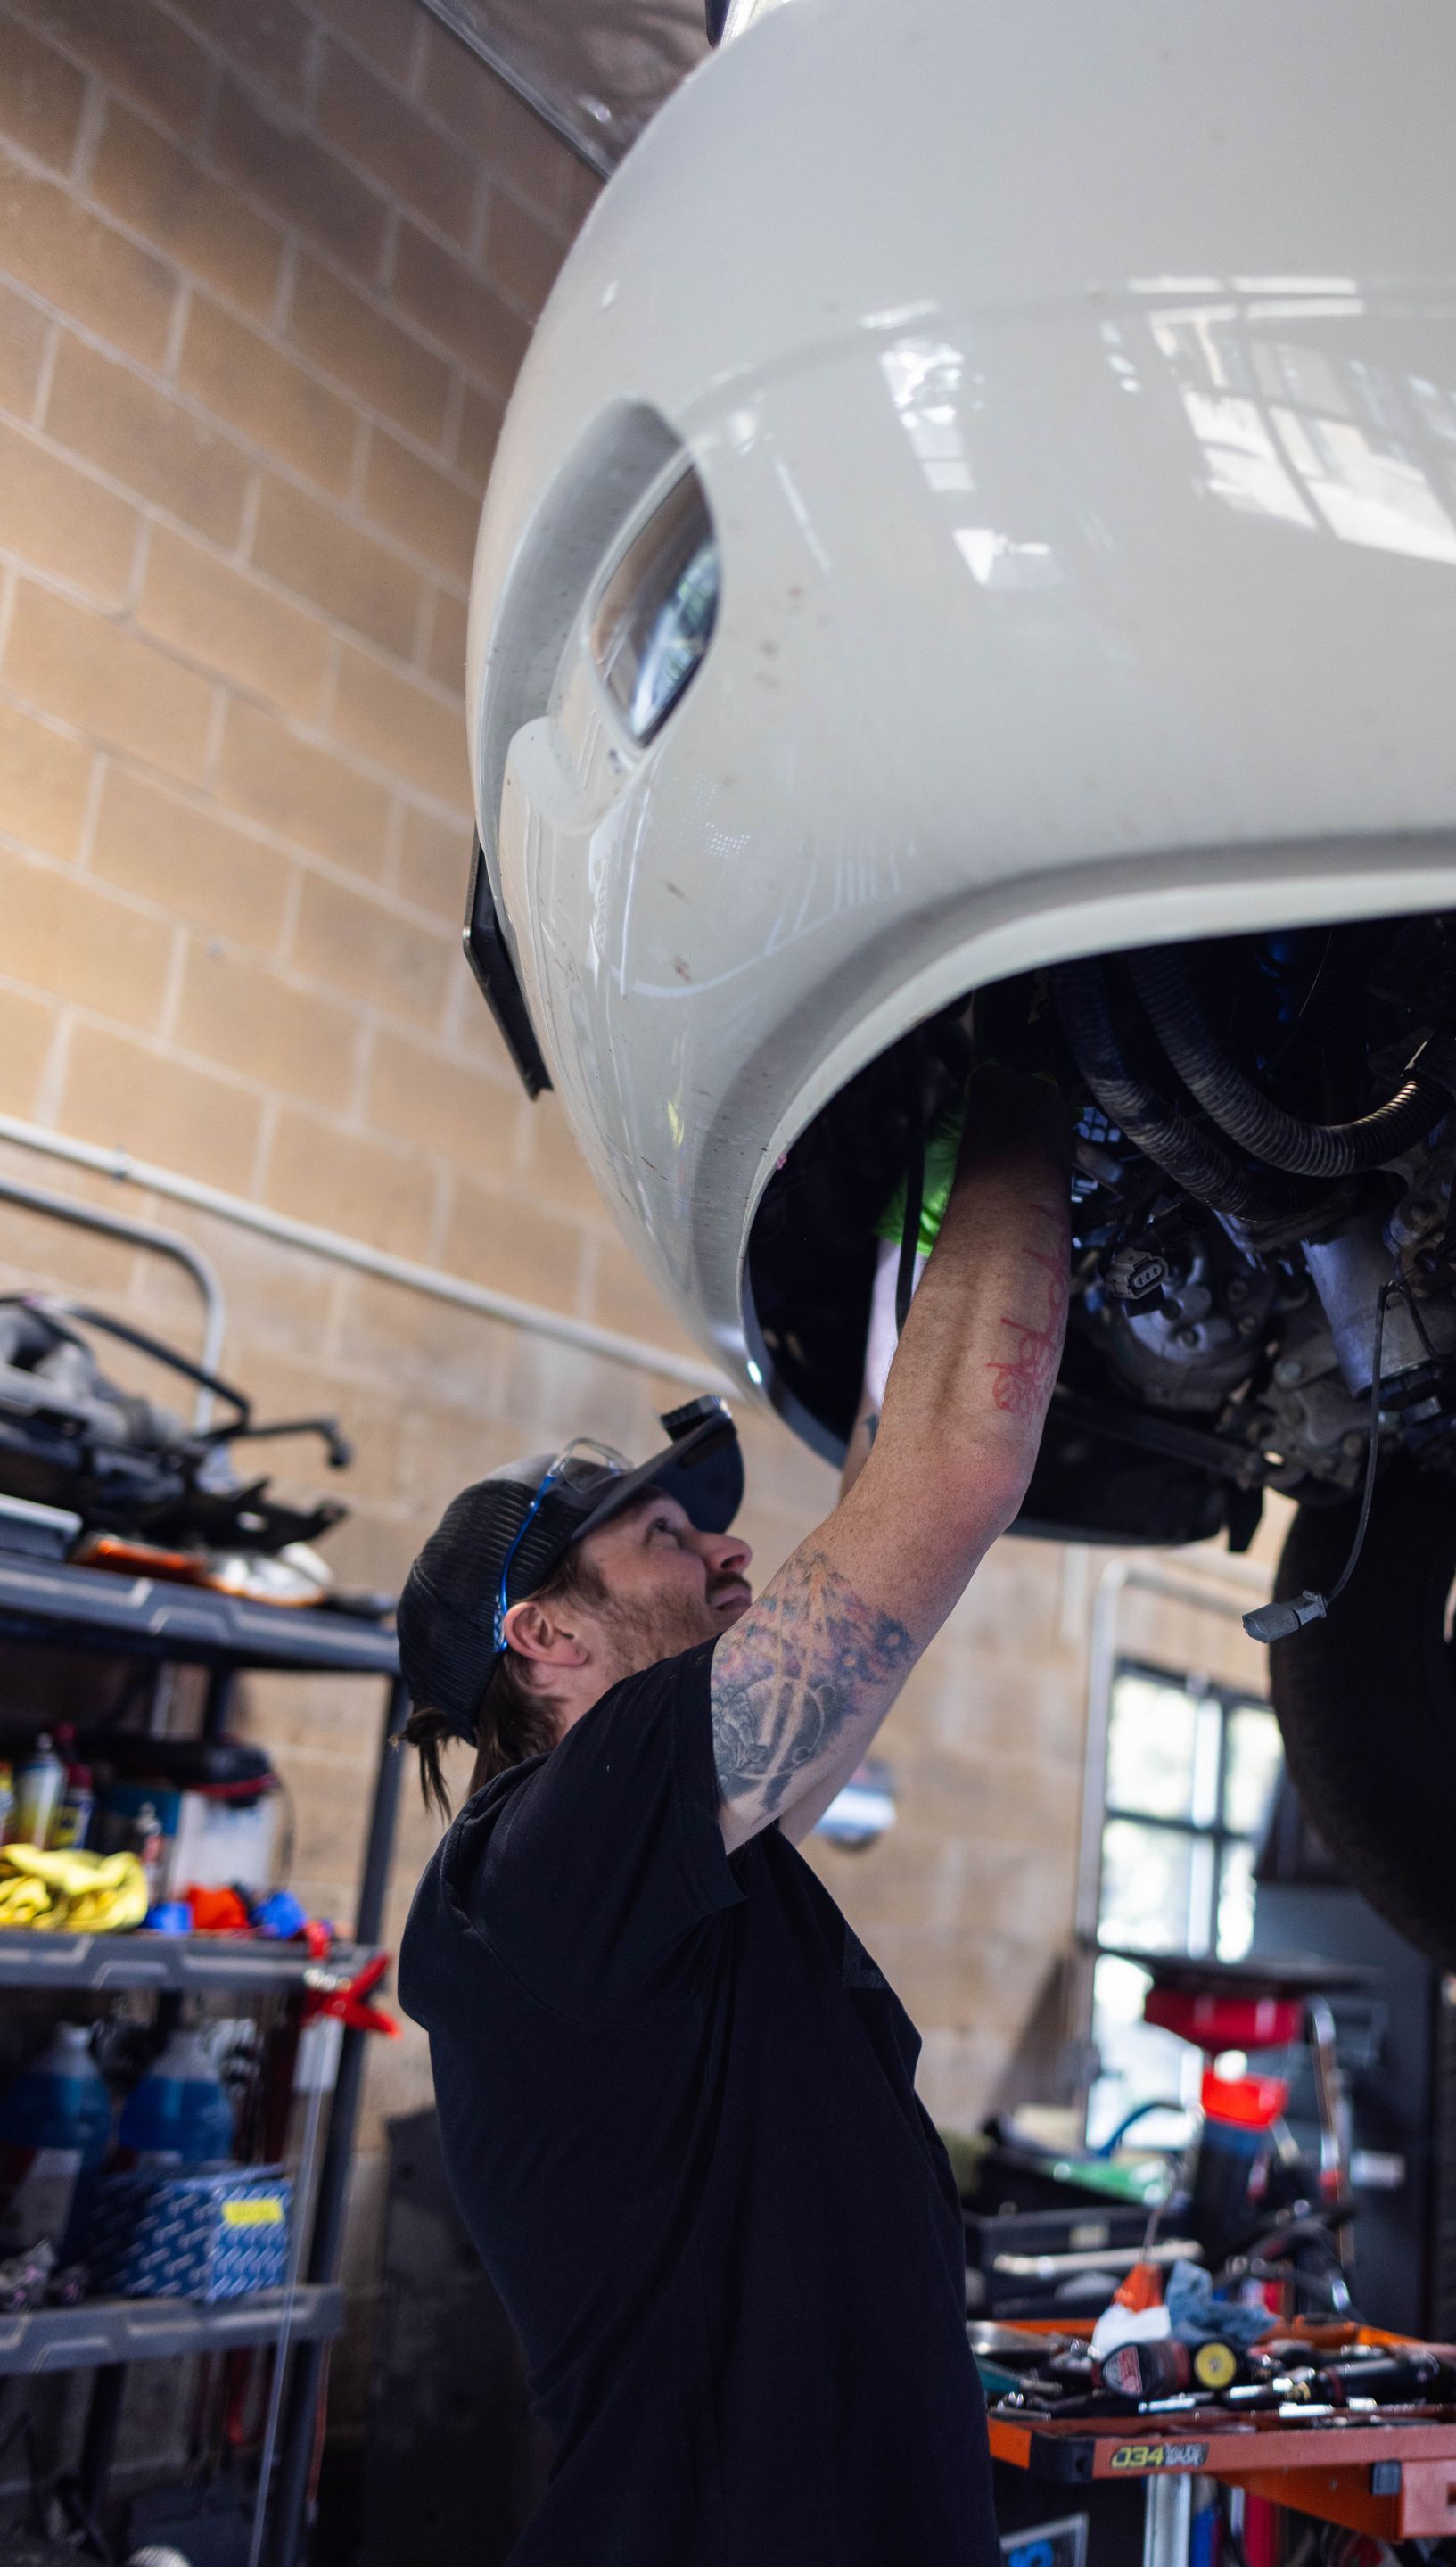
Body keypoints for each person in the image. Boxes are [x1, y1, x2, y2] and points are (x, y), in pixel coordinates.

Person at [395, 1064, 1069, 2567]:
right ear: (545, 1641)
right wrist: (1043, 1063)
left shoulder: (647, 1861)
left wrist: (958, 1151)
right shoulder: (543, 1861)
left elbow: (916, 1460)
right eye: (666, 1537)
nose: (731, 1551)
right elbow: (958, 1471)